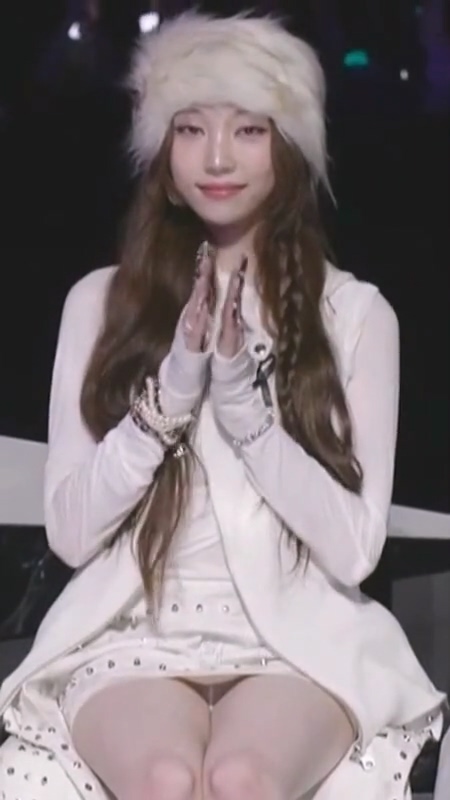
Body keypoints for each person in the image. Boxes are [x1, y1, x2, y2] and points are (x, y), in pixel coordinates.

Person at [0, 11, 446, 800]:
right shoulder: (99, 302)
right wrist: (170, 396)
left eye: (247, 130)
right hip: (134, 635)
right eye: (190, 129)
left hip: (297, 644)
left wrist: (248, 413)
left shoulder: (356, 315)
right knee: (167, 779)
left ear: (290, 147)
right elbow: (70, 533)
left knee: (241, 779)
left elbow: (355, 552)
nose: (215, 158)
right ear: (162, 152)